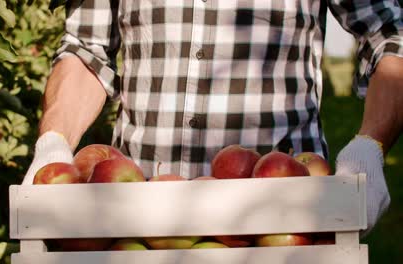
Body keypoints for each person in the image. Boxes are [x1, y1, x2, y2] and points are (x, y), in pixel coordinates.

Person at [23, 1, 403, 236]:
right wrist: (53, 143)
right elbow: (86, 48)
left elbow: (390, 34)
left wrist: (369, 146)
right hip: (140, 220)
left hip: (283, 218)